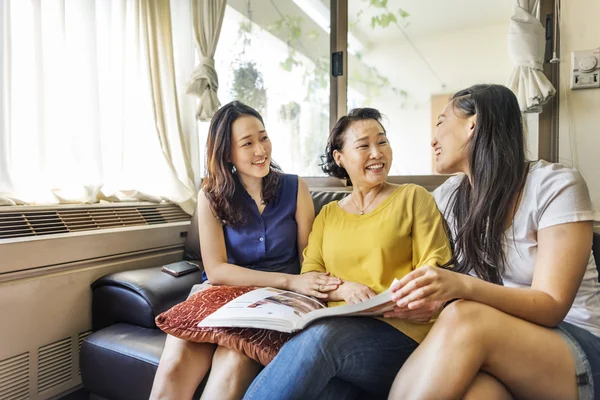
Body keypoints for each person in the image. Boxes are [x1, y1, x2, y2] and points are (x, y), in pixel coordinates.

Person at [388, 84, 600, 400]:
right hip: (496, 350)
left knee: (465, 315)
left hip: (573, 346)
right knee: (474, 393)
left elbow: (552, 305)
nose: (433, 139)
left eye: (441, 122)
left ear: (473, 124)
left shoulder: (554, 185)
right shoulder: (447, 196)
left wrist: (459, 287)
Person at [243, 108, 452, 400]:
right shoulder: (328, 214)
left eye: (382, 142)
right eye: (364, 146)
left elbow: (435, 269)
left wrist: (417, 299)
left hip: (403, 335)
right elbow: (310, 274)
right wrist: (345, 288)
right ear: (339, 157)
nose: (377, 153)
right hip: (342, 338)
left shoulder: (413, 198)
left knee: (322, 338)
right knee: (330, 390)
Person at [149, 101, 341, 400]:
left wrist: (307, 285)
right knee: (174, 368)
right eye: (247, 143)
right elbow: (216, 270)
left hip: (273, 301)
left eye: (263, 138)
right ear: (228, 153)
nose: (260, 150)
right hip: (220, 293)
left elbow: (309, 259)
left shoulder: (295, 188)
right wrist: (290, 280)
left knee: (233, 363)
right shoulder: (211, 195)